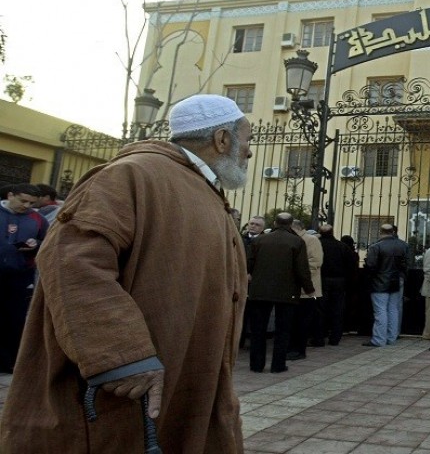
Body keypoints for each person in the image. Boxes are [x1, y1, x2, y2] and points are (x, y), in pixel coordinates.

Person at [0, 94, 252, 452]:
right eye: (247, 140)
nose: (249, 151)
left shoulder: (200, 188)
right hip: (127, 387)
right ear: (222, 139)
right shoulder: (131, 174)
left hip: (185, 373)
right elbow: (71, 261)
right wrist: (122, 355)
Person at [247, 213, 315, 373]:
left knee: (258, 329)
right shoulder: (297, 242)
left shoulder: (259, 240)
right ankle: (278, 365)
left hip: (260, 290)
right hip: (287, 291)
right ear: (291, 224)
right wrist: (309, 289)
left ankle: (256, 364)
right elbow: (302, 269)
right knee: (283, 330)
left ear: (275, 223)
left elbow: (249, 264)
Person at [0, 183, 47, 374]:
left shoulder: (39, 220)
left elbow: (49, 242)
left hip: (21, 276)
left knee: (15, 319)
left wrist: (37, 244)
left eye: (31, 203)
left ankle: (9, 361)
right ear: (10, 195)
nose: (27, 206)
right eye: (23, 200)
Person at [363, 223, 409, 347]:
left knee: (380, 310)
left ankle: (379, 339)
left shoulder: (376, 247)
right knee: (394, 309)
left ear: (381, 231)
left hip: (379, 281)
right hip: (397, 280)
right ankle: (391, 337)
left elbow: (371, 266)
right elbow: (406, 264)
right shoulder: (403, 245)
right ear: (393, 232)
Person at [288, 219, 323, 360]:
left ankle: (299, 350)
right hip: (291, 289)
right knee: (291, 321)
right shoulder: (293, 239)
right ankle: (291, 348)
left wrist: (293, 271)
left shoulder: (311, 240)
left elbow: (315, 262)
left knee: (302, 321)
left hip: (307, 290)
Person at [315, 224, 356, 346]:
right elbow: (351, 266)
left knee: (320, 310)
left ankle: (319, 338)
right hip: (339, 281)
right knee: (337, 310)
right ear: (333, 232)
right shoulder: (342, 246)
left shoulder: (318, 245)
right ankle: (335, 338)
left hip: (321, 280)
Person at [239, 215, 266, 349]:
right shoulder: (240, 238)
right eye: (252, 223)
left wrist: (253, 274)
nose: (253, 226)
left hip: (256, 282)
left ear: (262, 228)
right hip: (239, 280)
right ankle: (239, 341)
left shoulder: (265, 241)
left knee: (256, 314)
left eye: (257, 225)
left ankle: (255, 343)